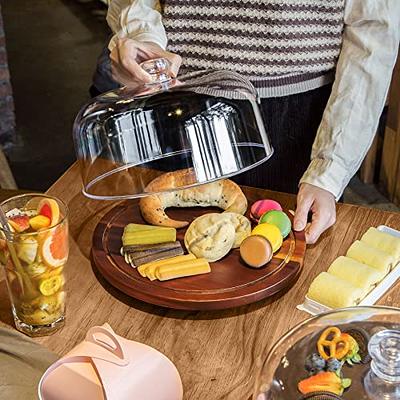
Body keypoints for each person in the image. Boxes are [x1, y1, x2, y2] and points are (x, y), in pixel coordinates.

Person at [92, 0, 400, 244]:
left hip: (301, 123)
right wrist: (140, 36)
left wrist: (330, 171)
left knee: (286, 272)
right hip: (175, 102)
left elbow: (372, 34)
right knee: (165, 262)